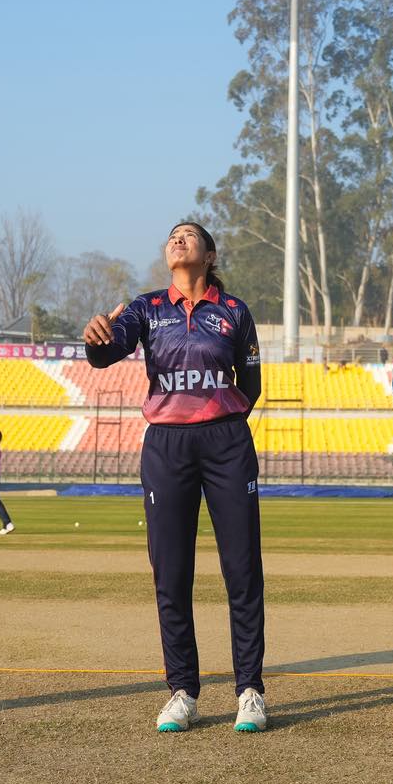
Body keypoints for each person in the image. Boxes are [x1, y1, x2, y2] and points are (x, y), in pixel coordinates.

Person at [82, 222, 266, 734]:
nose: (177, 239)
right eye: (172, 236)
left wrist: (218, 421)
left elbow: (249, 385)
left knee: (243, 570)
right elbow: (107, 353)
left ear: (209, 254)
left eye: (189, 235)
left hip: (226, 443)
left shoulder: (235, 312)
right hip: (166, 447)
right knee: (171, 572)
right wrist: (96, 339)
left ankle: (249, 690)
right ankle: (182, 690)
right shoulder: (145, 308)